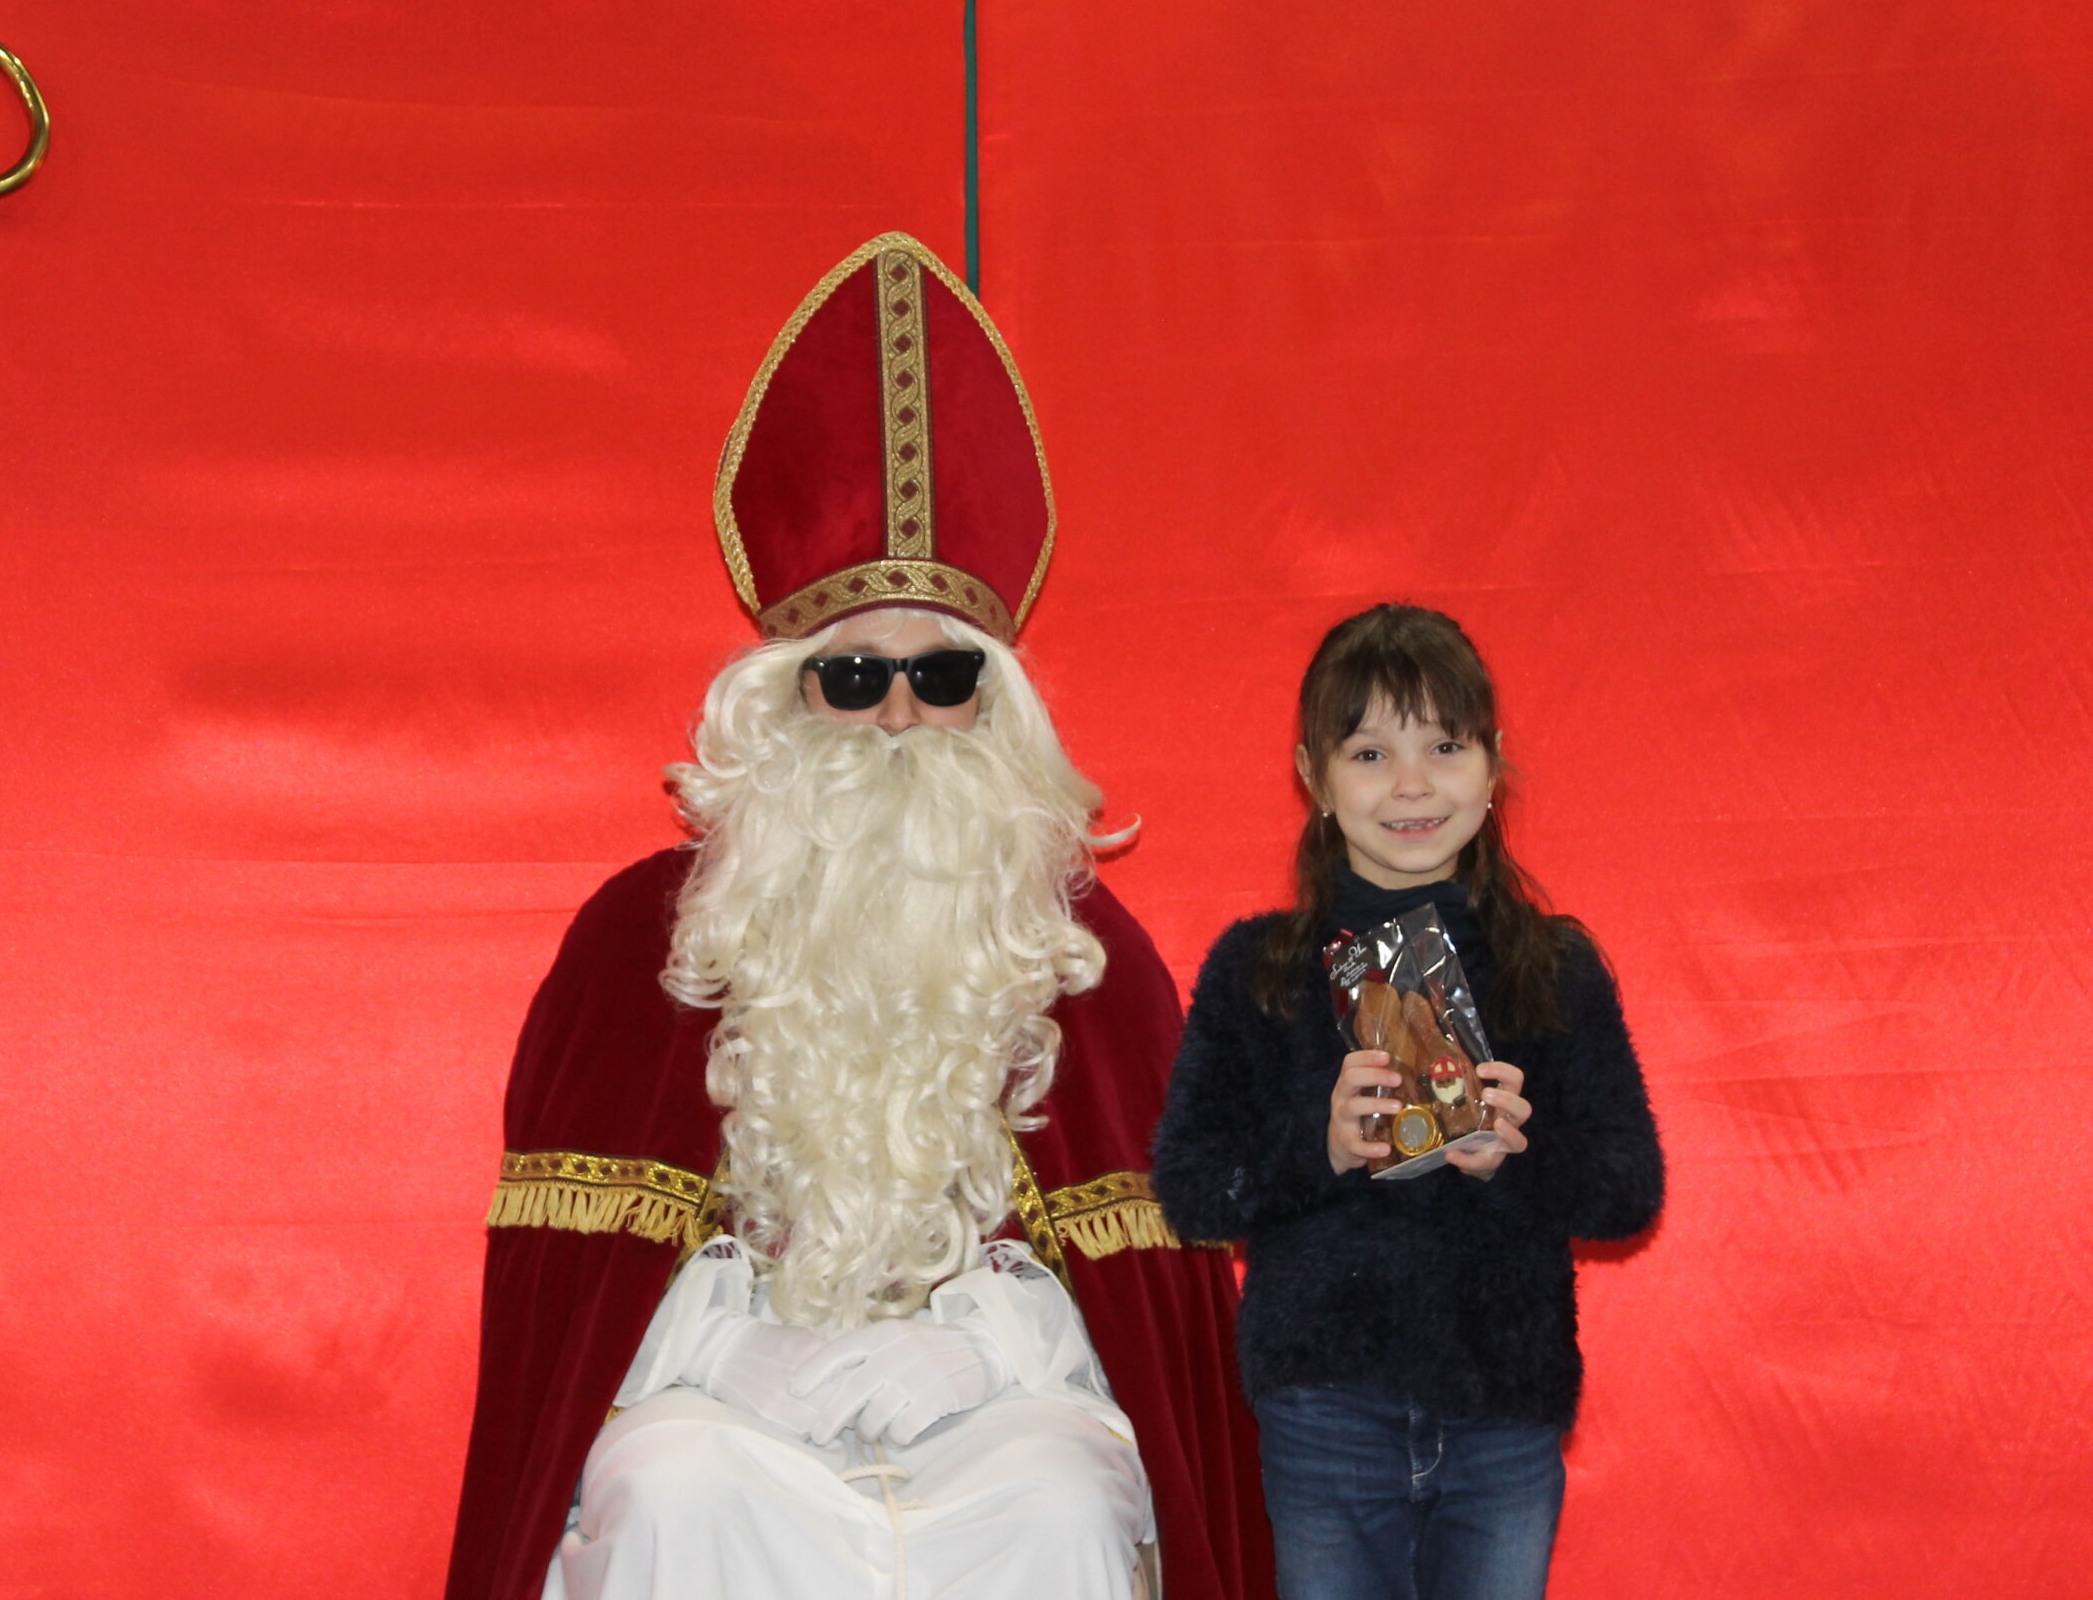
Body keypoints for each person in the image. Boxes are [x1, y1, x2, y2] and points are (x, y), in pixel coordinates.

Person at [443, 234, 1259, 1600]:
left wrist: (988, 1348)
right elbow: (568, 1307)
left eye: (940, 678)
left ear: (994, 704)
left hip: (1001, 1396)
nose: (896, 717)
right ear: (787, 698)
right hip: (729, 1390)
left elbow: (1152, 1313)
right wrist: (722, 1346)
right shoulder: (647, 938)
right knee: (673, 1485)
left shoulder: (1078, 951)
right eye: (856, 676)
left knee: (1058, 1498)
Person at [1152, 603, 1663, 1600]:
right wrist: (1322, 1145)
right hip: (1323, 1406)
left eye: (1445, 746)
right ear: (1313, 777)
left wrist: (1519, 1155)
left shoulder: (1554, 967)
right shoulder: (1257, 969)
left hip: (1504, 1405)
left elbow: (1629, 1190)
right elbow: (1190, 1187)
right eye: (1370, 754)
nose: (1413, 784)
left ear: (1493, 763)